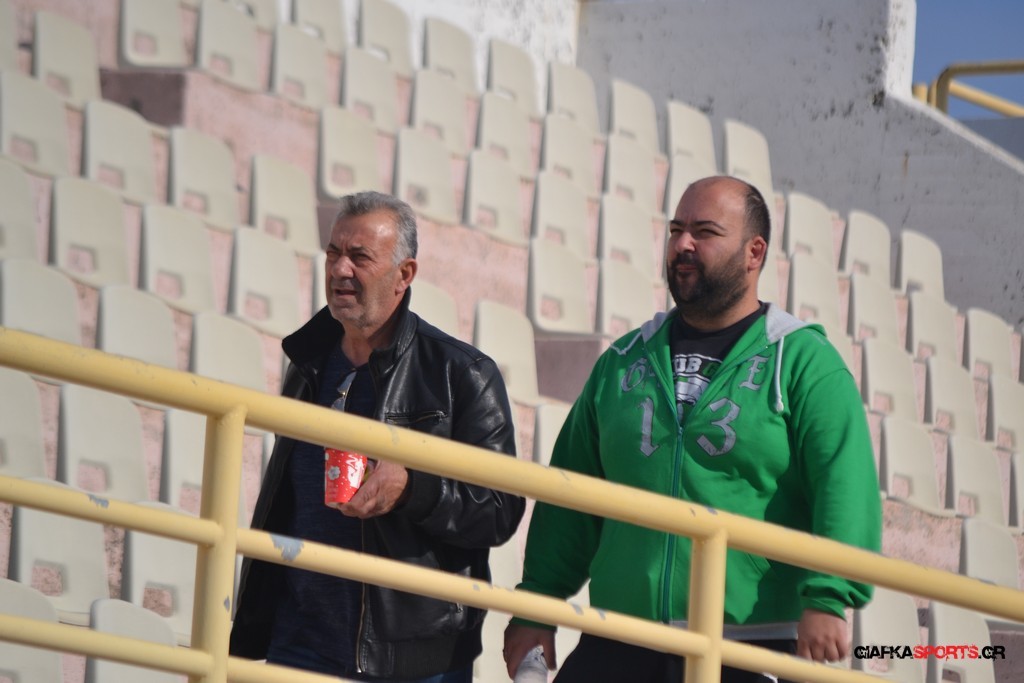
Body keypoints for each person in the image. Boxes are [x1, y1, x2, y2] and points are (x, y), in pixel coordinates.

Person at [503, 176, 881, 682]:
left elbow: (845, 485)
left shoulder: (805, 362)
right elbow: (571, 495)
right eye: (676, 229)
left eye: (704, 232)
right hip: (618, 639)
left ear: (754, 252)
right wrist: (538, 603)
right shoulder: (623, 360)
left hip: (749, 646)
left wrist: (829, 596)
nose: (683, 243)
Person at [230, 191, 526, 682]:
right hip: (300, 640)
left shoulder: (463, 373)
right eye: (333, 252)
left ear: (404, 274)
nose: (339, 269)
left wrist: (412, 489)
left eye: (359, 257)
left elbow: (499, 510)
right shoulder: (308, 361)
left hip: (412, 659)